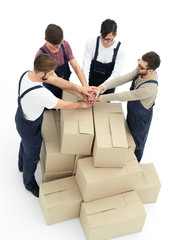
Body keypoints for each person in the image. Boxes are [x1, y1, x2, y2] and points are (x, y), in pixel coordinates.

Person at [15, 54, 97, 198]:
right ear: (42, 73)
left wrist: (80, 90)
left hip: (22, 115)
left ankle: (21, 165)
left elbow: (57, 81)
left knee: (24, 144)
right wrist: (82, 105)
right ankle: (29, 183)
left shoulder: (27, 74)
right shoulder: (41, 94)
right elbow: (65, 105)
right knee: (32, 156)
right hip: (30, 127)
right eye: (51, 72)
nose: (53, 75)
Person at [95, 51, 161, 162]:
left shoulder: (149, 89)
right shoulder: (141, 71)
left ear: (150, 70)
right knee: (127, 137)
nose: (137, 67)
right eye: (138, 63)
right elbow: (123, 79)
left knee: (136, 144)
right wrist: (101, 88)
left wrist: (100, 98)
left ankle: (134, 166)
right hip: (133, 112)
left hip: (140, 119)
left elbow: (124, 96)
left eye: (141, 67)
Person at [35, 24, 87, 99]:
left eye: (60, 42)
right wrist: (80, 92)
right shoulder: (41, 56)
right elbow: (57, 81)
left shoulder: (65, 45)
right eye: (55, 45)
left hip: (67, 87)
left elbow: (76, 67)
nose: (59, 47)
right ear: (46, 40)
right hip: (51, 91)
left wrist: (85, 87)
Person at [82, 19, 125, 94]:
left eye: (108, 39)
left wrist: (100, 89)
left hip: (109, 86)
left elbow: (116, 74)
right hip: (91, 84)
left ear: (115, 35)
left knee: (104, 105)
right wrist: (86, 86)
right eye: (103, 38)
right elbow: (85, 67)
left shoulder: (120, 49)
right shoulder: (92, 42)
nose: (105, 42)